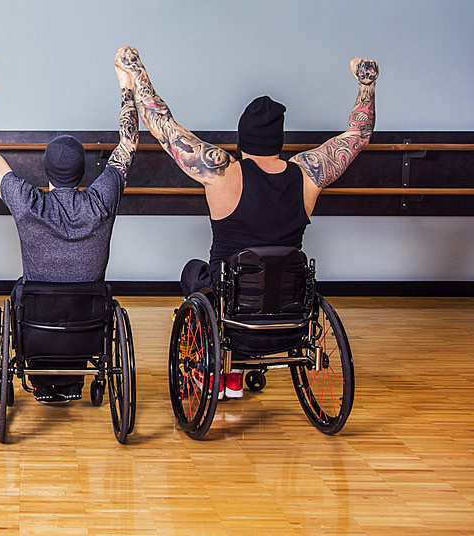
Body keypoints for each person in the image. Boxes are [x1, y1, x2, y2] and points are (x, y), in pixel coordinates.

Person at [116, 45, 378, 398]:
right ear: (279, 140)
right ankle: (234, 372)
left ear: (243, 139)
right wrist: (367, 87)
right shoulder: (310, 173)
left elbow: (162, 125)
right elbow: (357, 136)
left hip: (233, 315)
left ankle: (219, 373)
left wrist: (136, 74)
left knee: (193, 272)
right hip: (290, 317)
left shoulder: (222, 171)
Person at [0, 51, 139, 403]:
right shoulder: (101, 198)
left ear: (45, 172)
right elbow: (128, 144)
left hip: (36, 327)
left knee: (19, 290)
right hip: (88, 326)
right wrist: (128, 86)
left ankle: (44, 377)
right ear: (83, 173)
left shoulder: (28, 202)